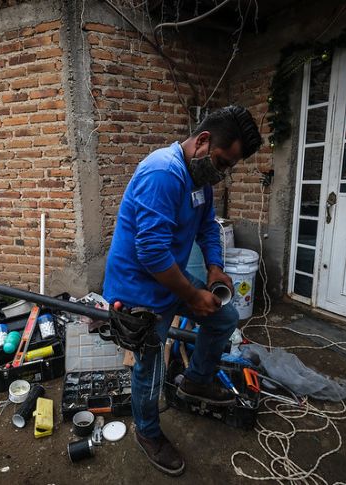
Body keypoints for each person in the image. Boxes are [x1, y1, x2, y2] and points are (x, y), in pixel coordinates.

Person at [102, 106, 261, 476]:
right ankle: (147, 432)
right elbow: (151, 251)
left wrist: (215, 269)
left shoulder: (199, 181)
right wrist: (192, 295)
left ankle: (197, 381)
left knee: (224, 317)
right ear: (203, 141)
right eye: (222, 161)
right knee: (149, 370)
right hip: (139, 291)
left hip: (170, 281)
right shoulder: (163, 172)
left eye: (228, 167)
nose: (222, 172)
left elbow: (208, 228)